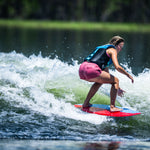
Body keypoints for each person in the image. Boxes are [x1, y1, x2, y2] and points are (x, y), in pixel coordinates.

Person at [79, 36, 134, 112]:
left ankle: (86, 103)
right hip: (92, 70)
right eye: (121, 46)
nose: (121, 49)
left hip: (82, 69)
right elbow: (117, 67)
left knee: (100, 81)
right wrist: (128, 75)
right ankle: (112, 107)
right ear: (117, 45)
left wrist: (117, 88)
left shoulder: (102, 50)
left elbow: (106, 76)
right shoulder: (112, 50)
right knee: (116, 80)